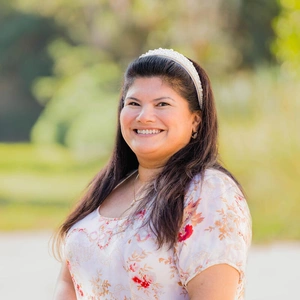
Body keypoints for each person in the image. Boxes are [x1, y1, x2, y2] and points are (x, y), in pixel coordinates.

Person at [53, 48, 252, 300]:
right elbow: (68, 283)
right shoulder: (109, 187)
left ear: (195, 121)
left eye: (162, 104)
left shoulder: (209, 192)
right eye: (133, 103)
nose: (144, 116)